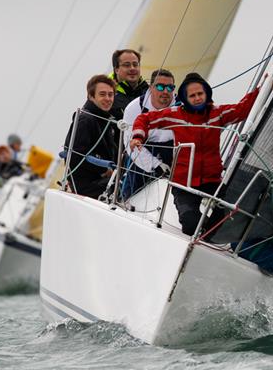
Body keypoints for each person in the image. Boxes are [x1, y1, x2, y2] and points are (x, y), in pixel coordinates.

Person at [130, 72, 261, 236]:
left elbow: (243, 109)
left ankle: (207, 237)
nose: (197, 98)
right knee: (190, 224)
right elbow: (145, 119)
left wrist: (263, 87)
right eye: (192, 95)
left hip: (212, 180)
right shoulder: (175, 114)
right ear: (185, 98)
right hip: (184, 183)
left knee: (229, 215)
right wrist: (137, 136)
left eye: (200, 94)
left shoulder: (217, 114)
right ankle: (201, 233)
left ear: (207, 93)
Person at [120, 69, 176, 199]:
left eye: (170, 87)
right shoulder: (134, 108)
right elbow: (130, 145)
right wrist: (155, 165)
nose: (166, 91)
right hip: (141, 151)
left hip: (172, 152)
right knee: (130, 192)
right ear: (151, 88)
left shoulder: (181, 107)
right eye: (160, 87)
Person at [63, 74, 119, 199]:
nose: (108, 98)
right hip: (87, 186)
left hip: (100, 181)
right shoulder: (85, 119)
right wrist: (104, 170)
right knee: (128, 185)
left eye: (111, 95)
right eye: (102, 94)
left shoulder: (105, 119)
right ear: (90, 96)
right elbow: (76, 155)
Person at [109, 49, 149, 118]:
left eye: (135, 64)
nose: (132, 68)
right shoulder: (106, 94)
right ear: (116, 70)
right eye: (127, 65)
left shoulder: (150, 92)